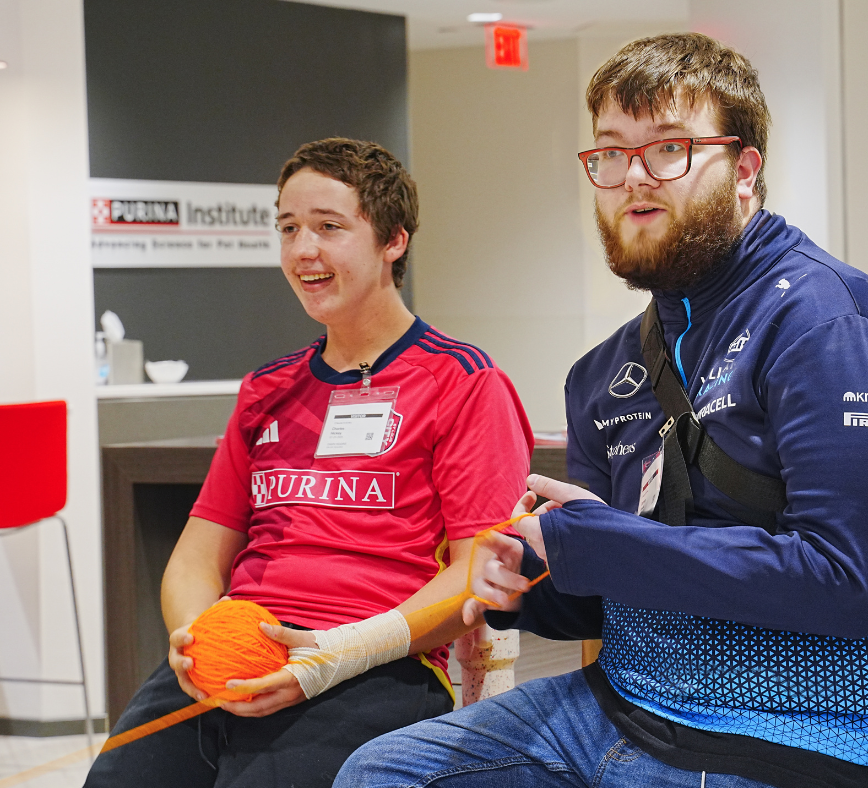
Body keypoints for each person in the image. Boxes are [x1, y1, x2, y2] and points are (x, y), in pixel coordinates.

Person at [333, 33, 868, 788]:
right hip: (623, 706)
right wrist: (527, 584)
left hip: (807, 735)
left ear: (745, 169)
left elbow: (843, 582)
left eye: (670, 151)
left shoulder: (833, 328)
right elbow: (611, 595)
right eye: (612, 154)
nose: (633, 179)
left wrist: (600, 544)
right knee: (383, 771)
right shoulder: (604, 372)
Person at [85, 138, 534, 788]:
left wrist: (338, 653)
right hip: (245, 647)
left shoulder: (465, 382)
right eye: (289, 228)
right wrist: (196, 640)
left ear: (392, 242)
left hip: (380, 663)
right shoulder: (267, 388)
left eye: (329, 227)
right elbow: (194, 559)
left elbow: (475, 574)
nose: (303, 251)